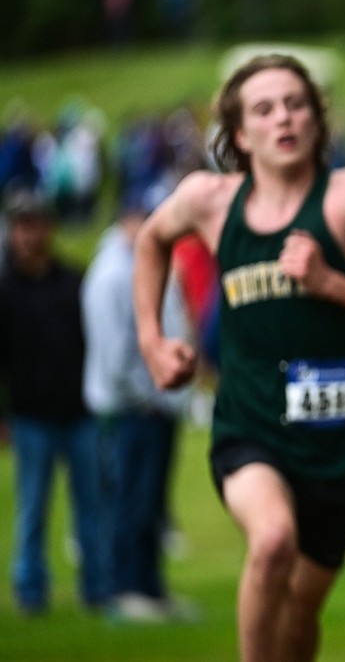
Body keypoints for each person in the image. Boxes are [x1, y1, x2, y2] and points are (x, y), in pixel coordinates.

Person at [133, 54, 345, 662]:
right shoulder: (209, 201)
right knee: (270, 543)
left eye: (295, 104)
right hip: (250, 427)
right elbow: (151, 239)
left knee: (300, 608)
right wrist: (152, 340)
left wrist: (331, 283)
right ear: (240, 135)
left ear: (317, 120)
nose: (283, 118)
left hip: (332, 440)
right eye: (264, 109)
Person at [82, 189, 193, 622]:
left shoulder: (149, 262)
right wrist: (148, 396)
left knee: (151, 502)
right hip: (131, 407)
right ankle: (125, 588)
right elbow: (114, 355)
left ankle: (151, 588)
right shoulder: (110, 275)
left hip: (158, 403)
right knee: (128, 499)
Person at [0, 188, 110, 615]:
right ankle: (30, 588)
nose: (30, 236)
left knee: (91, 507)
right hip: (31, 416)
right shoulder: (6, 290)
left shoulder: (72, 280)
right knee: (33, 507)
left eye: (37, 225)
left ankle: (97, 586)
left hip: (79, 411)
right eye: (22, 227)